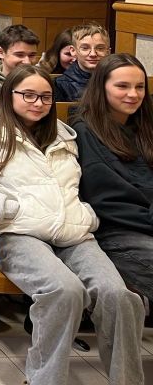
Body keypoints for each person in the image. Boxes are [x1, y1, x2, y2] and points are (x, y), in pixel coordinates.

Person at [0, 65, 144, 385]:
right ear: (9, 95)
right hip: (20, 233)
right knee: (64, 291)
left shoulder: (65, 137)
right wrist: (7, 207)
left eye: (45, 96)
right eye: (28, 95)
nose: (38, 103)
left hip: (73, 233)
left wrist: (86, 215)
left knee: (119, 296)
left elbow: (83, 184)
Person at [74, 53, 153, 302]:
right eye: (122, 86)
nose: (133, 94)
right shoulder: (85, 131)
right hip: (118, 231)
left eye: (140, 87)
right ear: (102, 88)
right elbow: (106, 200)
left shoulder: (146, 127)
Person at [54, 23, 111, 102]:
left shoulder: (114, 80)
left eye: (100, 48)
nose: (93, 54)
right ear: (73, 51)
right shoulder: (60, 85)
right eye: (85, 48)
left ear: (108, 52)